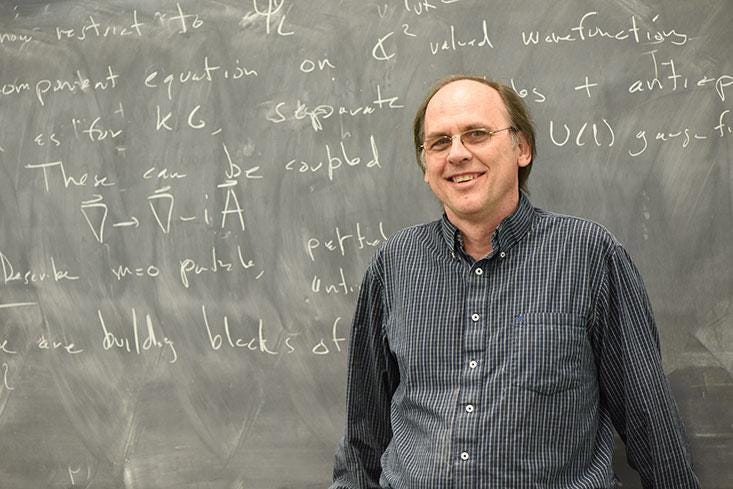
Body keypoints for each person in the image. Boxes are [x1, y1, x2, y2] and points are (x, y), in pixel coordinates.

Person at [330, 74, 700, 489]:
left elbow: (649, 423)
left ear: (521, 148)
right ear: (425, 167)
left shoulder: (589, 255)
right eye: (439, 142)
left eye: (477, 134)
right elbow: (363, 437)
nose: (457, 154)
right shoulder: (394, 263)